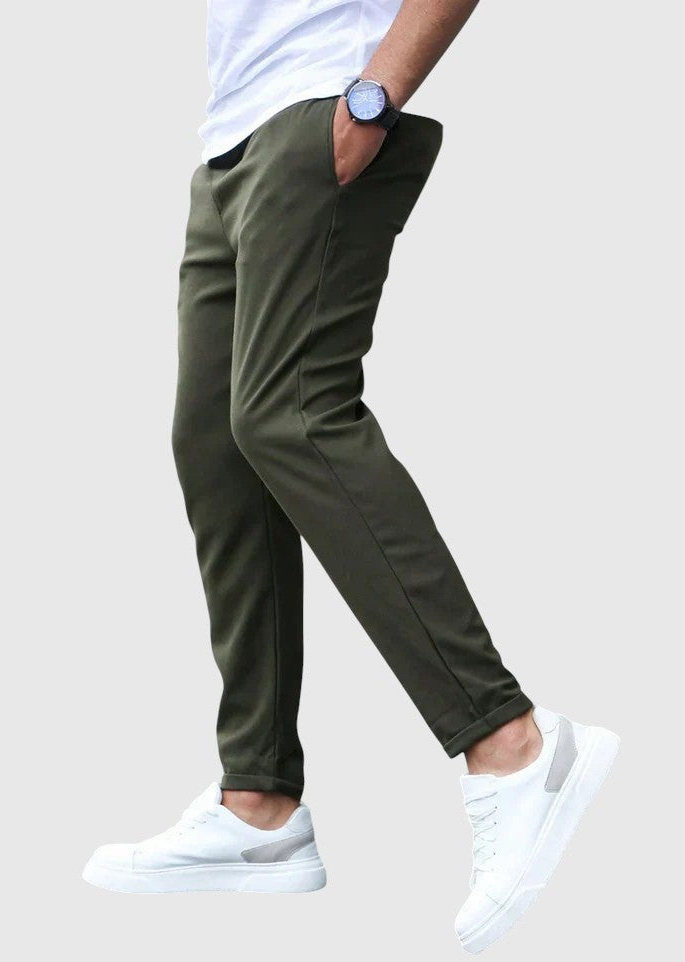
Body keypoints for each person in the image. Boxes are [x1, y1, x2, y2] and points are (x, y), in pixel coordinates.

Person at [83, 0, 618, 951]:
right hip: (231, 138)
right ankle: (259, 806)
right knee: (215, 449)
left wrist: (373, 99)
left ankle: (513, 743)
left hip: (323, 106)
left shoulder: (347, 106)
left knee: (292, 415)